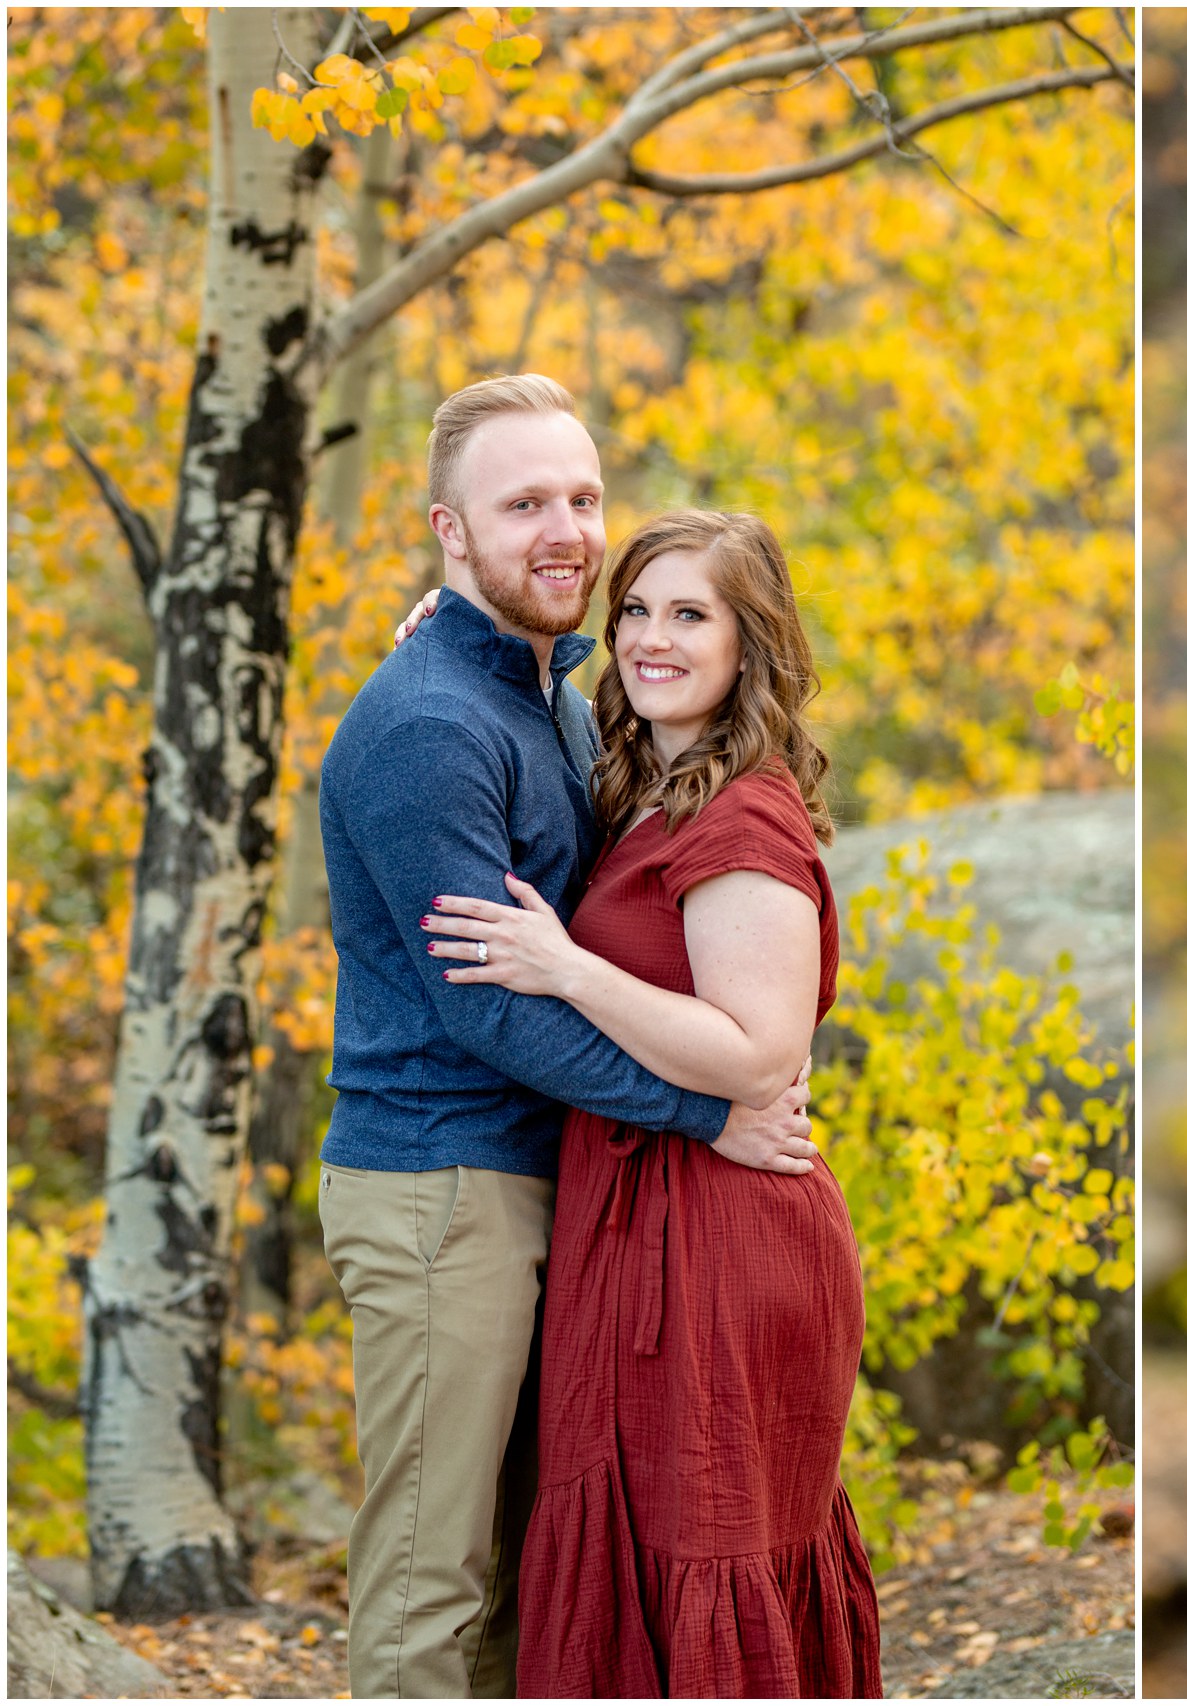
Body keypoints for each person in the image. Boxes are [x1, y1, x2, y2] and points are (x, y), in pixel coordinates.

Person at [318, 376, 815, 1698]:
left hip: (560, 1186)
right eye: (523, 502)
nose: (566, 532)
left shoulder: (545, 693)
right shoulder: (433, 723)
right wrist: (708, 1108)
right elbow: (488, 1003)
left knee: (536, 1579)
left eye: (583, 498)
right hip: (442, 1189)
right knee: (433, 1575)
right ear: (450, 530)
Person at [419, 510, 882, 1698]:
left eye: (691, 615)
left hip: (722, 1236)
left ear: (751, 643)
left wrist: (566, 966)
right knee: (630, 1556)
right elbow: (522, 694)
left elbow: (758, 1050)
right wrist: (439, 633)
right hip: (639, 1214)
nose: (649, 639)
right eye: (634, 610)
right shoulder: (641, 778)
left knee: (700, 1550)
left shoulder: (743, 818)